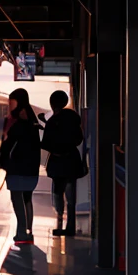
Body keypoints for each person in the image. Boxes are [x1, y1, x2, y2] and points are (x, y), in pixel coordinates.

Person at [0, 87, 41, 245]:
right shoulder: (32, 119)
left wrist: (5, 160)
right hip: (29, 167)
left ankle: (22, 231)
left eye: (12, 103)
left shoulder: (19, 121)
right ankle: (27, 230)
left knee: (17, 198)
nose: (10, 106)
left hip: (18, 167)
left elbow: (9, 143)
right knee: (26, 198)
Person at [40, 90, 83, 237]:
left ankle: (59, 222)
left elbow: (45, 144)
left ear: (52, 103)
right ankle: (70, 227)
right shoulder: (73, 118)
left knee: (58, 193)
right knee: (71, 197)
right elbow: (79, 139)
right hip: (72, 160)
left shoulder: (52, 122)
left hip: (58, 162)